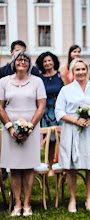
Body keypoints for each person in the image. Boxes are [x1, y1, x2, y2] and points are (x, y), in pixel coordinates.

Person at [55, 58, 90, 212]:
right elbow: (59, 111)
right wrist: (75, 120)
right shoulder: (66, 90)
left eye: (83, 69)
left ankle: (89, 199)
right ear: (72, 72)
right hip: (71, 130)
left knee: (89, 167)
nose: (81, 72)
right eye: (77, 70)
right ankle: (72, 199)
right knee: (71, 167)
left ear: (87, 71)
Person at [0, 50, 46, 216]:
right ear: (14, 62)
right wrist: (10, 127)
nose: (22, 62)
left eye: (25, 59)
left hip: (31, 129)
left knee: (28, 168)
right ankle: (17, 204)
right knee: (14, 168)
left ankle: (27, 204)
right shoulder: (3, 82)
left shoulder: (37, 82)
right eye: (19, 59)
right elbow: (0, 107)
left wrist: (30, 127)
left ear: (29, 63)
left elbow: (41, 106)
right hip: (9, 130)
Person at [35, 51, 64, 175]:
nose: (47, 63)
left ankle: (64, 166)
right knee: (50, 140)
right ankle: (50, 167)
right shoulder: (39, 78)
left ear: (54, 62)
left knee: (63, 139)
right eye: (45, 61)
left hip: (59, 109)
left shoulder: (60, 76)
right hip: (45, 111)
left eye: (49, 60)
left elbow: (66, 90)